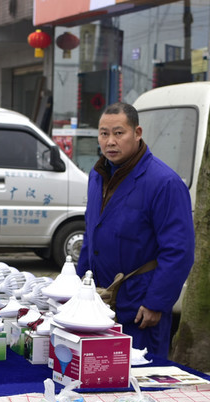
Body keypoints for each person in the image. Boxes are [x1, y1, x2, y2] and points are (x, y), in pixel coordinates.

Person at [77, 101, 194, 360]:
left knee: (142, 385)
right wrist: (77, 288)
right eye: (104, 134)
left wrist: (156, 303)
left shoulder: (164, 183)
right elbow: (90, 236)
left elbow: (179, 251)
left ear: (137, 133)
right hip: (98, 305)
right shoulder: (97, 176)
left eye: (119, 133)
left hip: (140, 308)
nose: (110, 141)